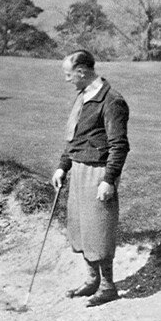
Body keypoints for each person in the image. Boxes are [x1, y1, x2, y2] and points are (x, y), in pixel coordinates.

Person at [51, 50, 130, 307]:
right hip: (78, 169)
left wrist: (109, 179)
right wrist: (63, 167)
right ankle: (92, 279)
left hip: (98, 172)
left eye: (68, 74)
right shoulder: (83, 96)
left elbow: (119, 145)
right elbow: (75, 138)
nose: (67, 80)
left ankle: (108, 286)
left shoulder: (112, 101)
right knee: (81, 228)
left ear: (82, 72)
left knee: (99, 229)